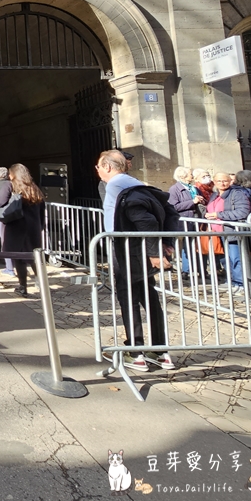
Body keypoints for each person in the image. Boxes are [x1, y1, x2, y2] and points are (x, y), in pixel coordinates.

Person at [97, 149, 178, 373]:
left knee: (129, 298)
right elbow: (170, 211)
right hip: (137, 248)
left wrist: (155, 251)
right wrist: (166, 241)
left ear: (108, 167)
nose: (98, 171)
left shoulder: (117, 186)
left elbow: (145, 221)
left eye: (99, 166)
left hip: (127, 250)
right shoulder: (137, 184)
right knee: (148, 296)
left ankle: (136, 353)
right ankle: (160, 351)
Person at [0, 163, 46, 299]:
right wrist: (40, 226)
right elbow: (42, 209)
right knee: (34, 258)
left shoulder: (10, 185)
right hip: (33, 228)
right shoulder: (34, 188)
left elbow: (0, 202)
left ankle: (23, 287)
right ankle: (42, 285)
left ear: (12, 174)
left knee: (19, 258)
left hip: (16, 227)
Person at [205, 170, 251, 295]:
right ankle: (232, 281)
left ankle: (241, 284)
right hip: (219, 231)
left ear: (230, 181)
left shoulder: (237, 194)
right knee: (227, 259)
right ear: (214, 182)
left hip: (233, 231)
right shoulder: (215, 194)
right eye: (219, 181)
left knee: (236, 258)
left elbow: (242, 212)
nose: (222, 183)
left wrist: (219, 215)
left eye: (225, 181)